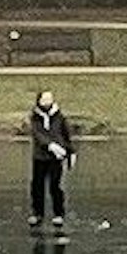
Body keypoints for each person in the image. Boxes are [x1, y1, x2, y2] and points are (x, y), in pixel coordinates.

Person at [29, 91, 75, 228]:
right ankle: (38, 213)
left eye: (49, 99)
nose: (47, 102)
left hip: (56, 158)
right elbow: (37, 134)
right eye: (44, 99)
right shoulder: (35, 117)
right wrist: (50, 145)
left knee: (56, 186)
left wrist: (70, 152)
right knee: (38, 186)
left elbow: (66, 135)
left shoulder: (59, 117)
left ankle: (59, 214)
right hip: (40, 157)